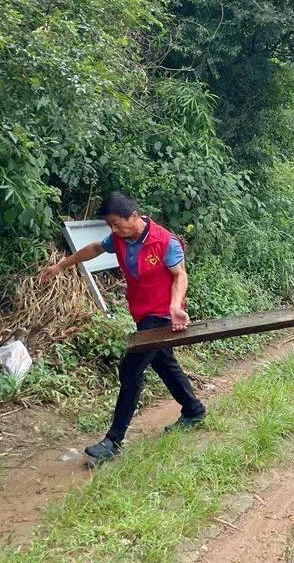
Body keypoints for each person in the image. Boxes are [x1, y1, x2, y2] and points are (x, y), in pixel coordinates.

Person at [40, 192, 205, 461]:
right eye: (110, 226)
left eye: (117, 223)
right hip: (141, 313)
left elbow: (179, 275)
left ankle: (113, 441)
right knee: (164, 364)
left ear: (134, 216)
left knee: (131, 370)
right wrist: (62, 264)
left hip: (162, 316)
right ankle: (193, 410)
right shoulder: (120, 238)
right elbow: (95, 248)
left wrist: (176, 307)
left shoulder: (166, 242)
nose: (113, 230)